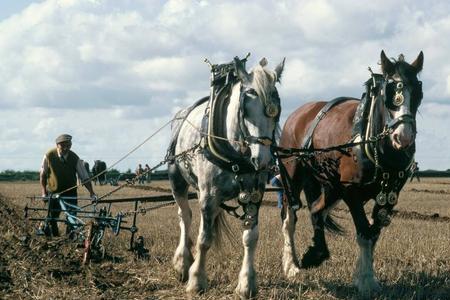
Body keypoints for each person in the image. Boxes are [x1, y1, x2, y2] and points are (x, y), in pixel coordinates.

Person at [39, 134, 96, 237]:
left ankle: (70, 241)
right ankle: (55, 238)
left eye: (68, 146)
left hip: (70, 193)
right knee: (52, 218)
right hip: (54, 192)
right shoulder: (49, 155)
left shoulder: (74, 158)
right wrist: (44, 192)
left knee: (72, 218)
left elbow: (85, 177)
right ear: (57, 145)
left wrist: (92, 193)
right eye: (63, 146)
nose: (66, 148)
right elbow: (43, 175)